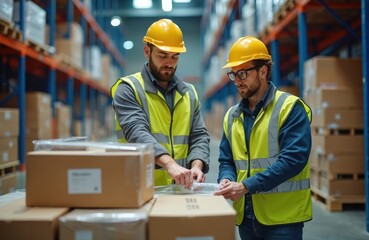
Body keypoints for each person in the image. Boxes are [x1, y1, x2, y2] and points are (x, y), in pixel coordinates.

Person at [214, 36, 312, 240]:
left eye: (242, 73)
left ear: (263, 71)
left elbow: (293, 160)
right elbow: (227, 160)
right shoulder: (232, 115)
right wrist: (226, 179)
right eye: (233, 75)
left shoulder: (290, 108)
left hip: (283, 219)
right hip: (246, 217)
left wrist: (246, 186)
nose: (238, 81)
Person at [110, 19, 210, 189]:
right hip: (140, 187)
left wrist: (196, 165)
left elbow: (199, 135)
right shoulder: (128, 88)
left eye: (175, 57)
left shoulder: (189, 93)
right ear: (147, 51)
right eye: (163, 56)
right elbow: (136, 132)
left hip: (180, 189)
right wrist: (170, 164)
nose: (170, 63)